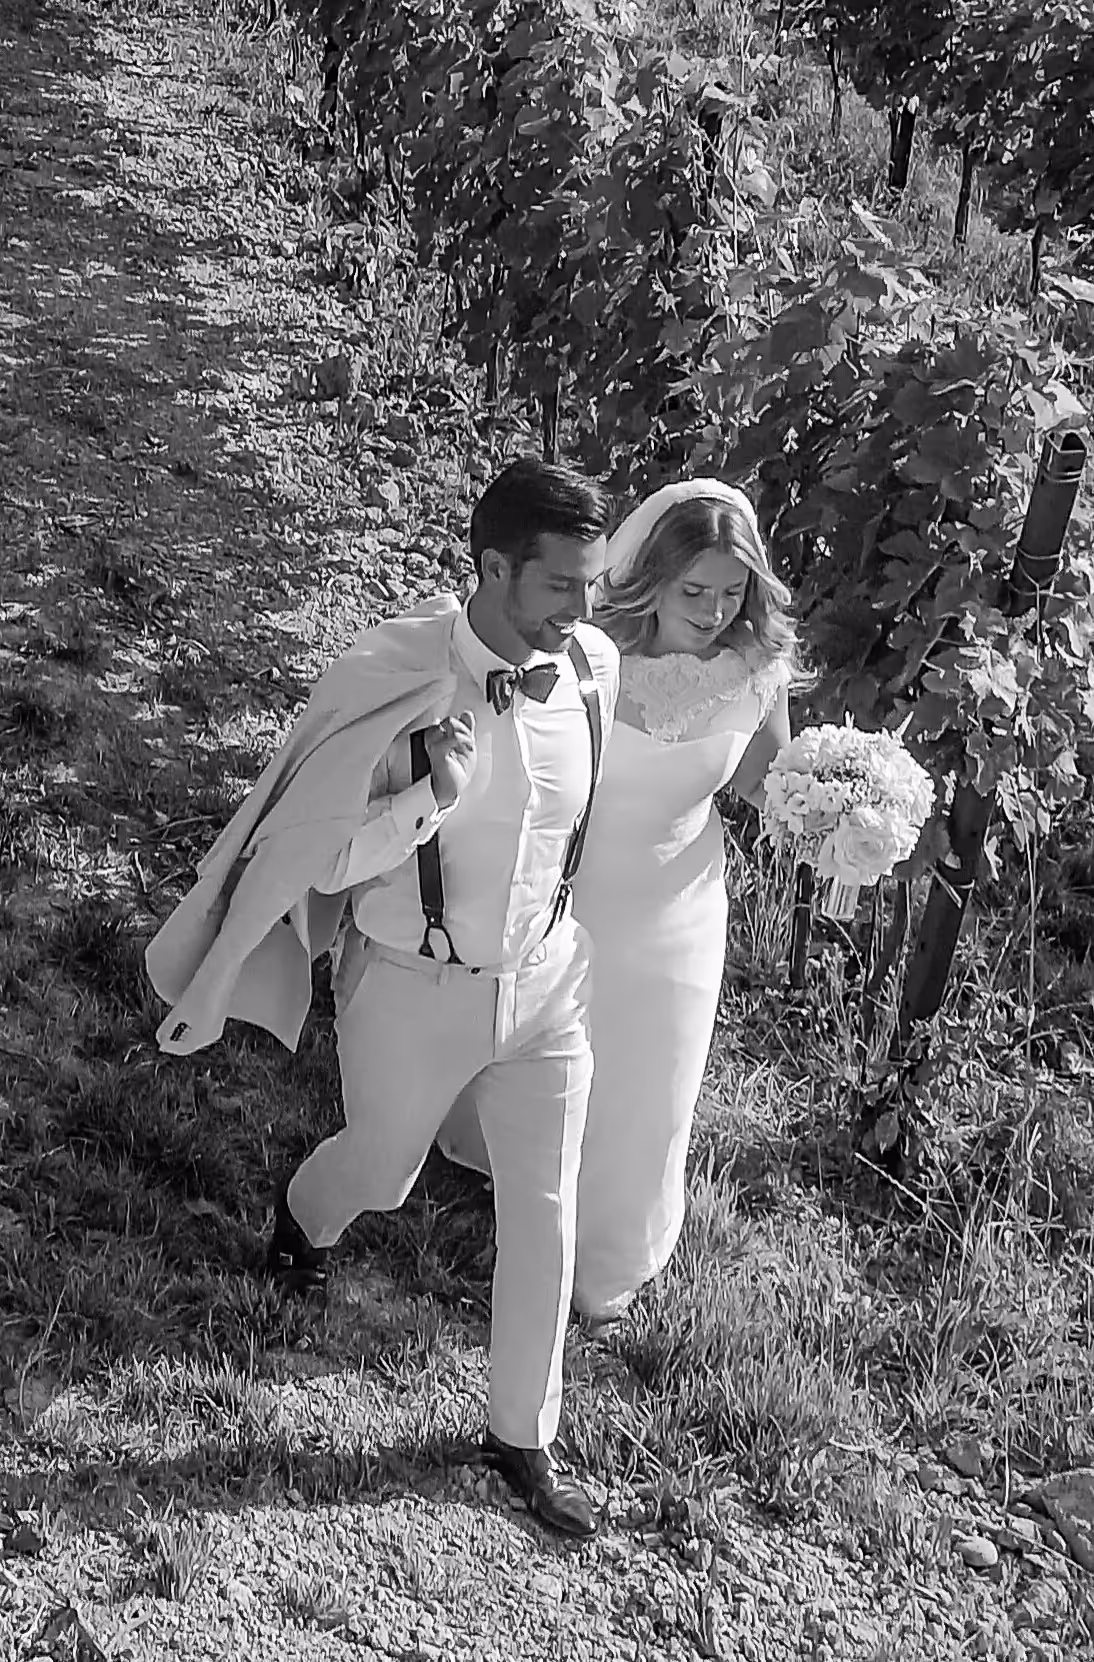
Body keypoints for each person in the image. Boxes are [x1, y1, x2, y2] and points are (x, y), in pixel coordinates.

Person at [145, 457, 619, 1539]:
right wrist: (428, 801)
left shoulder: (594, 669)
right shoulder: (394, 677)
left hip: (547, 987)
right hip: (410, 983)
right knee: (383, 1171)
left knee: (546, 1208)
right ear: (493, 568)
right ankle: (304, 1218)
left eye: (592, 584)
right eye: (561, 585)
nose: (584, 611)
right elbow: (318, 861)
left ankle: (521, 1437)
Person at [437, 479, 799, 1323]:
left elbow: (763, 783)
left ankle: (604, 1259)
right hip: (578, 888)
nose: (714, 612)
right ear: (655, 579)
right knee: (550, 1062)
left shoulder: (757, 668)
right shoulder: (589, 652)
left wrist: (834, 810)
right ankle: (516, 1196)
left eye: (732, 592)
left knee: (647, 1088)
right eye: (694, 591)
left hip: (680, 907)